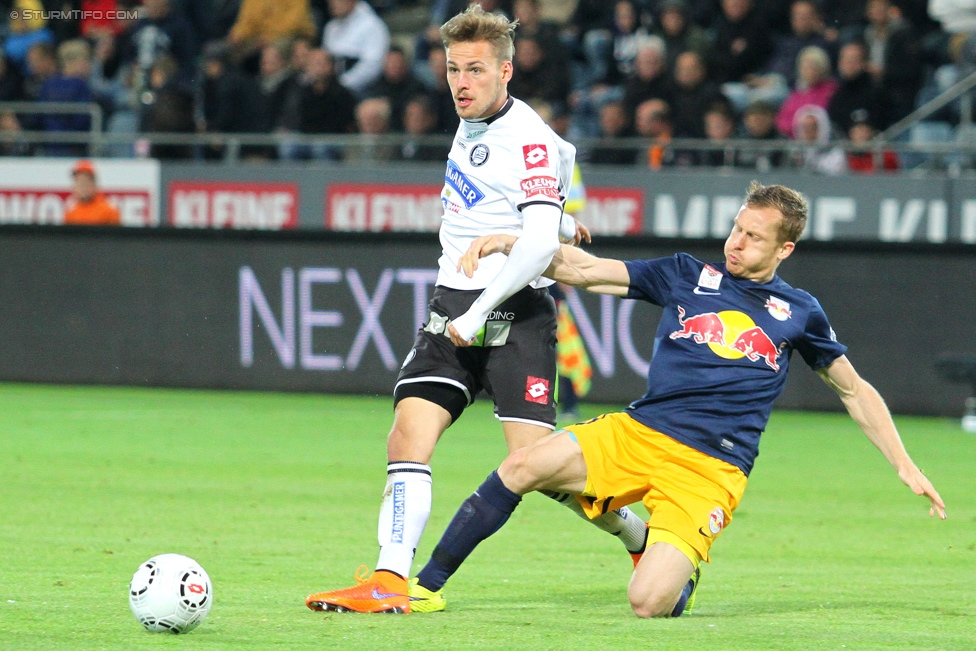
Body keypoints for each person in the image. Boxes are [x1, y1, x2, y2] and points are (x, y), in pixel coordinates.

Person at [407, 181, 947, 617]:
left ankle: (677, 568)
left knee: (647, 603)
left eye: (754, 237)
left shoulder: (799, 311)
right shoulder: (689, 274)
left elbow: (853, 389)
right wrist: (516, 244)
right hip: (640, 433)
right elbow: (584, 269)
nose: (736, 242)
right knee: (523, 463)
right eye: (737, 228)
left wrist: (904, 463)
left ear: (785, 248)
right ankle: (423, 587)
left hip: (712, 469)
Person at [304, 4, 648, 616]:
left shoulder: (531, 139)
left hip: (514, 312)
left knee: (535, 469)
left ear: (506, 71)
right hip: (451, 303)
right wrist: (561, 217)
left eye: (476, 71)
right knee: (408, 434)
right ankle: (388, 580)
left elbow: (539, 243)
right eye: (453, 71)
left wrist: (493, 293)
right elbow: (523, 210)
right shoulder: (471, 124)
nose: (461, 84)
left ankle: (638, 535)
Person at [64, 160, 121, 226]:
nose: (82, 187)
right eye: (78, 183)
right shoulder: (70, 211)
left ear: (94, 184)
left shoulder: (108, 209)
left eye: (85, 182)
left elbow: (115, 234)